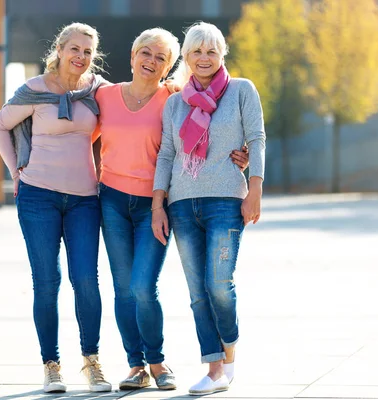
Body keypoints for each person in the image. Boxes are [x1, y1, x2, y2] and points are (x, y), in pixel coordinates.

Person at [94, 27, 250, 391]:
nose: (151, 61)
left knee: (143, 287)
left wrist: (239, 159)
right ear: (132, 56)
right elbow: (72, 129)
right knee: (123, 289)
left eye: (161, 57)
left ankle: (158, 362)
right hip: (112, 200)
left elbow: (211, 129)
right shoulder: (104, 96)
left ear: (169, 66)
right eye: (145, 53)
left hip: (156, 202)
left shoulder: (177, 98)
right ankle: (137, 367)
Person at [0, 22, 111, 394]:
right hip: (38, 195)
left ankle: (92, 362)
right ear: (59, 49)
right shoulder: (35, 90)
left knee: (86, 280)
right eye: (75, 48)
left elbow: (131, 112)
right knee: (47, 282)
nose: (81, 56)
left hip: (84, 200)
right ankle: (51, 366)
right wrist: (16, 173)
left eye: (88, 52)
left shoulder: (99, 92)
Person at [151, 22, 266, 395]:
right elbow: (167, 153)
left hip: (226, 201)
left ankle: (229, 352)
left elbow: (257, 139)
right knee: (197, 291)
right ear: (186, 56)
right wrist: (159, 202)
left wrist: (255, 189)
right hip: (182, 203)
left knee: (218, 284)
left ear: (221, 55)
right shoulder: (174, 103)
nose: (204, 58)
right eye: (197, 52)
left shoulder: (241, 91)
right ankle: (215, 369)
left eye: (211, 51)